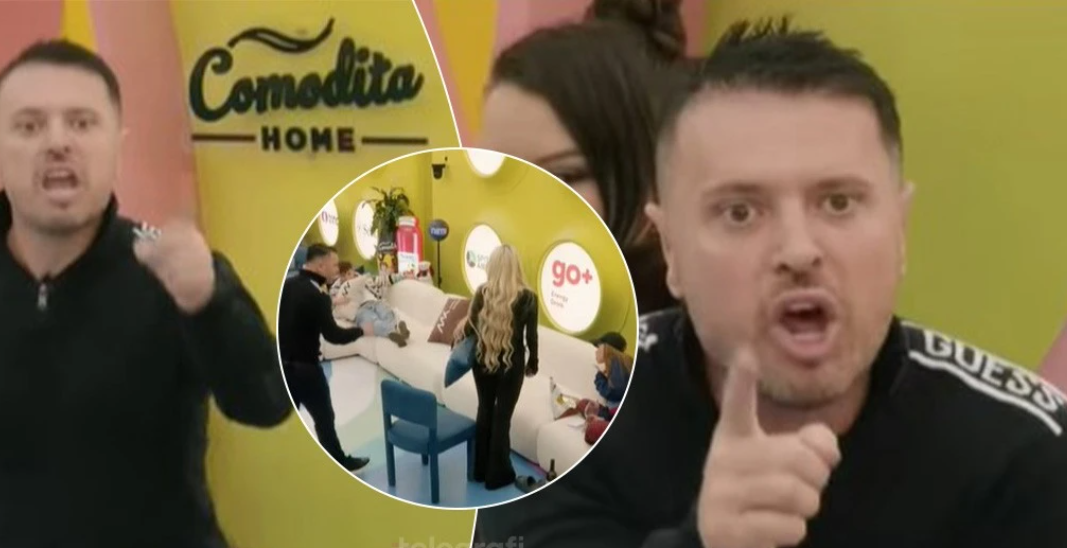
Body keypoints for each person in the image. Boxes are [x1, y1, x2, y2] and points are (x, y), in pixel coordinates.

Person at [474, 18, 1067, 548]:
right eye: (740, 212)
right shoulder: (551, 425)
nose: (798, 251)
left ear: (901, 229)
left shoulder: (1025, 451)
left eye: (838, 202)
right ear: (671, 246)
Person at [0, 40, 292, 548]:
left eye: (82, 123)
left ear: (117, 146)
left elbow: (267, 403)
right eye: (29, 126)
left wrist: (209, 302)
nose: (57, 143)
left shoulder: (175, 270)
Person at [479, 0, 686, 315]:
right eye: (497, 175)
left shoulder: (698, 332)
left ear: (653, 170)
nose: (518, 208)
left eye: (563, 176)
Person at [278, 244, 373, 472]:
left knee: (286, 420)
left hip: (282, 365)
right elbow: (334, 335)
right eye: (334, 265)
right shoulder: (317, 295)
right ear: (320, 266)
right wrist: (362, 331)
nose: (337, 269)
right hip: (306, 371)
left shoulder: (288, 285)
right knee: (324, 417)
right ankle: (339, 463)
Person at [456, 245, 539, 491]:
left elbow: (470, 328)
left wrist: (461, 329)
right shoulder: (529, 298)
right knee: (502, 418)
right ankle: (498, 475)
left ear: (492, 266)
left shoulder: (483, 292)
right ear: (516, 267)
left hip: (483, 360)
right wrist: (533, 363)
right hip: (512, 365)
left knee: (484, 411)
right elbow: (531, 337)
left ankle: (479, 470)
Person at [330, 260, 411, 347]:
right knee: (370, 322)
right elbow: (332, 304)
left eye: (351, 273)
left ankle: (396, 329)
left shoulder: (363, 280)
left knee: (387, 312)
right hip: (361, 310)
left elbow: (383, 280)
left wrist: (402, 275)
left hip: (375, 302)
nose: (351, 276)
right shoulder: (337, 289)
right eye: (346, 274)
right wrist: (336, 301)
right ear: (341, 277)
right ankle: (393, 331)